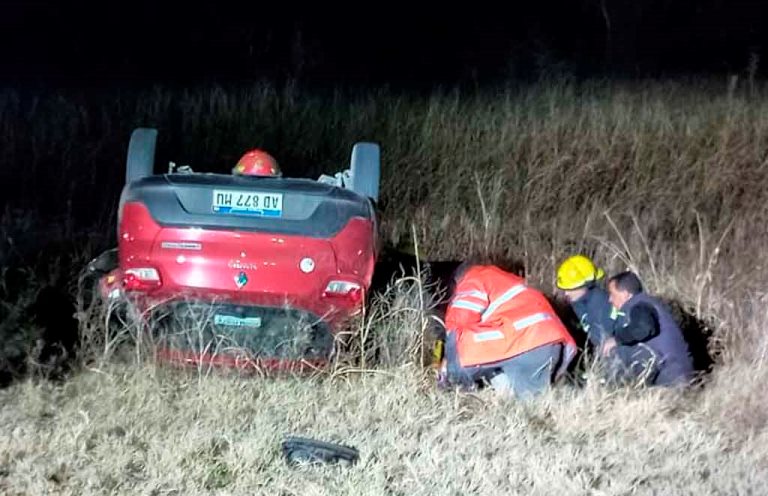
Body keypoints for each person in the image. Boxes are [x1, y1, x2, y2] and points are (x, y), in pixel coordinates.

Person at [439, 263, 577, 399]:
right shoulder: (511, 281)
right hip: (549, 345)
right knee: (529, 406)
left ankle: (455, 396)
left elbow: (459, 321)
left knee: (457, 341)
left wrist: (447, 361)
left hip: (519, 338)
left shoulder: (474, 276)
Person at [602, 271, 694, 387]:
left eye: (612, 294)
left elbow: (644, 329)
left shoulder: (639, 306)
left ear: (625, 294)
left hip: (672, 376)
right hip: (676, 371)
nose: (610, 299)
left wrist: (616, 340)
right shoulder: (647, 303)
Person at [556, 254, 616, 352]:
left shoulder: (599, 303)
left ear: (586, 285)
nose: (566, 293)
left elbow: (605, 341)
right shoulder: (577, 301)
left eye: (571, 289)